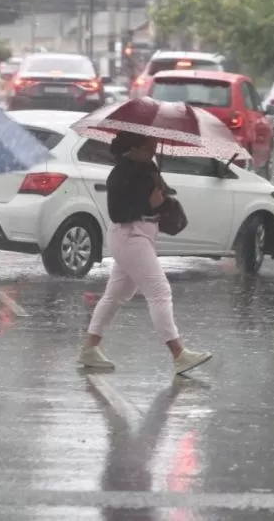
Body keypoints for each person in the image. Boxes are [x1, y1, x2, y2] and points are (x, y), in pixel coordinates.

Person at [79, 131, 212, 375]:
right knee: (160, 291)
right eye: (150, 145)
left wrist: (162, 198)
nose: (154, 148)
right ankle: (179, 354)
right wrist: (149, 204)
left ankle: (89, 348)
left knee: (116, 295)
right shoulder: (120, 174)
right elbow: (118, 213)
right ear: (135, 148)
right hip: (129, 236)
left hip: (142, 235)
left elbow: (158, 197)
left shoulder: (148, 167)